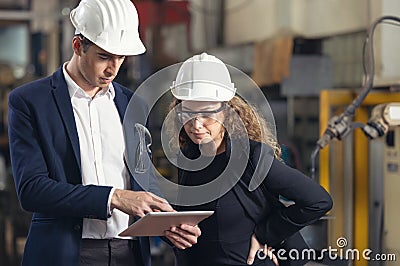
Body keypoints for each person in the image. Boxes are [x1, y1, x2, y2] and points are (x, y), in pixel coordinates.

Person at [7, 0, 200, 265]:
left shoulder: (133, 104)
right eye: (104, 56)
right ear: (78, 46)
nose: (113, 68)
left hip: (129, 254)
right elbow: (32, 189)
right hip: (65, 254)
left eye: (120, 57)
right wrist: (114, 197)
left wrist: (167, 224)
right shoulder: (30, 102)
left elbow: (144, 184)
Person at [165, 53, 333, 266]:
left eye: (207, 114)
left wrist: (267, 234)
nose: (196, 125)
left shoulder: (252, 158)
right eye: (187, 113)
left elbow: (318, 201)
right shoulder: (189, 156)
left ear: (226, 112)